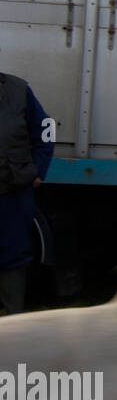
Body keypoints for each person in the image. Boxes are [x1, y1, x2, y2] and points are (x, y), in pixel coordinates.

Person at [0, 73, 54, 314]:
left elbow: (45, 130)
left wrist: (37, 171)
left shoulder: (19, 90)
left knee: (13, 256)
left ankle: (13, 326)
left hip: (12, 191)